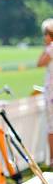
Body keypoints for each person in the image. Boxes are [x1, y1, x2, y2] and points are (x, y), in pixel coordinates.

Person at [37, 18, 53, 168]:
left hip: (51, 93)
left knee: (51, 127)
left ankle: (52, 160)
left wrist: (46, 47)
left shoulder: (50, 49)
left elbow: (40, 63)